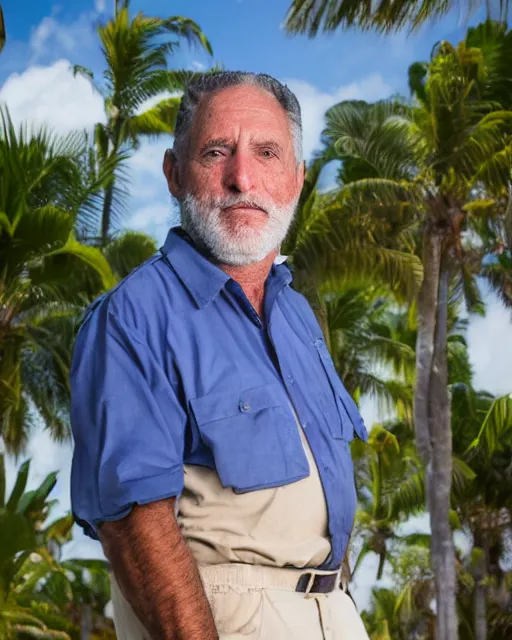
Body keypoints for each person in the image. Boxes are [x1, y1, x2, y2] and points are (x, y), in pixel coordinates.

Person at [70, 71, 370, 640]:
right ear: (174, 174)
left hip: (333, 613)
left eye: (266, 153)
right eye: (216, 152)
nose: (242, 178)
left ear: (297, 180)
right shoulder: (134, 317)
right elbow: (135, 525)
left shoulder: (298, 316)